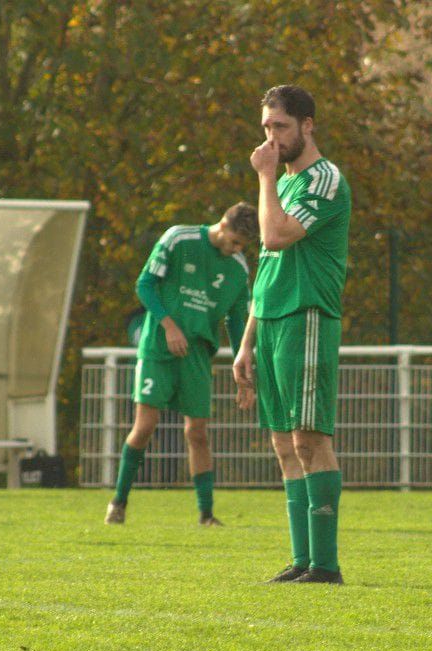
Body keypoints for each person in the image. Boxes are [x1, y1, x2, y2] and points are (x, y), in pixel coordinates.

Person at [232, 85, 352, 585]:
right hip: (275, 319)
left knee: (309, 439)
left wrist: (264, 177)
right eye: (266, 128)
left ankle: (325, 565)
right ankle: (302, 559)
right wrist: (245, 342)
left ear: (307, 125)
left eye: (280, 126)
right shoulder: (280, 186)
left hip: (307, 315)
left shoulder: (324, 179)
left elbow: (275, 236)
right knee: (284, 443)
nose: (272, 137)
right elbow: (266, 267)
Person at [105, 203, 257, 526]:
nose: (237, 250)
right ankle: (118, 502)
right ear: (222, 225)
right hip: (159, 347)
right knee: (145, 426)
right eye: (235, 242)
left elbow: (237, 319)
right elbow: (144, 285)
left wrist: (241, 363)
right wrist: (169, 325)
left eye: (243, 246)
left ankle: (206, 514)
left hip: (198, 355)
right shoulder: (178, 239)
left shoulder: (238, 269)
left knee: (197, 432)